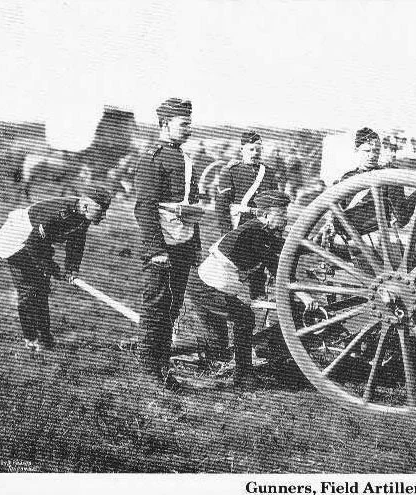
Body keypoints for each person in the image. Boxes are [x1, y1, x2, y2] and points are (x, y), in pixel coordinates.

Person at [189, 190, 316, 388]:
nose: (286, 217)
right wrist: (304, 296)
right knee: (244, 318)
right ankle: (243, 375)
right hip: (205, 288)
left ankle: (233, 365)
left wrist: (318, 244)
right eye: (281, 213)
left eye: (286, 212)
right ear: (264, 215)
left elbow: (287, 247)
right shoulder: (254, 232)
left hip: (215, 287)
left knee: (218, 345)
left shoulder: (263, 231)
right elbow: (277, 267)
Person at [133, 97, 204, 386]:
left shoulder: (185, 159)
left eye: (189, 122)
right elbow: (144, 207)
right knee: (157, 305)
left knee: (173, 307)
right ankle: (151, 370)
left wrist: (194, 244)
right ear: (165, 124)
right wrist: (155, 250)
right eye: (183, 123)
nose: (189, 128)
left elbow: (191, 204)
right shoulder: (153, 158)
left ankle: (162, 365)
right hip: (162, 245)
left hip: (183, 243)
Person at [0, 187, 111, 350]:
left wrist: (71, 268)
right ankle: (31, 339)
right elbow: (33, 244)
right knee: (29, 291)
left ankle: (45, 336)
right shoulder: (59, 214)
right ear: (85, 207)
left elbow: (76, 242)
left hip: (37, 242)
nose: (104, 216)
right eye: (101, 211)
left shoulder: (82, 216)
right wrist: (53, 269)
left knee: (42, 290)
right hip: (15, 241)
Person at [215, 130, 278, 234]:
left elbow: (276, 204)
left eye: (258, 150)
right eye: (251, 149)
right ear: (241, 149)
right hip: (239, 222)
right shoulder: (231, 171)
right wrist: (226, 230)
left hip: (262, 224)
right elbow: (222, 204)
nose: (255, 153)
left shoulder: (269, 172)